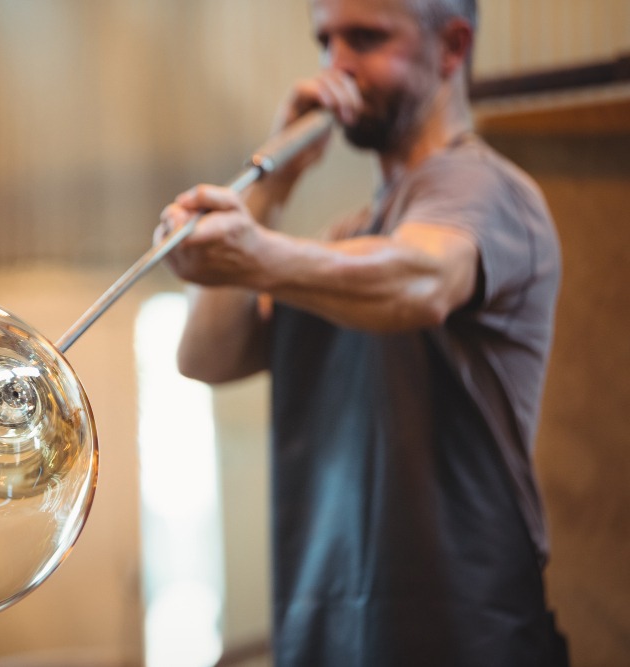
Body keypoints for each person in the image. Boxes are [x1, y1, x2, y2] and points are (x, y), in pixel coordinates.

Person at [156, 0, 568, 665]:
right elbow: (206, 352)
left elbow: (423, 277)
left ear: (452, 48)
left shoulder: (485, 190)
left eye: (366, 38)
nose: (334, 65)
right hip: (329, 635)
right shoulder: (348, 239)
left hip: (464, 641)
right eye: (325, 41)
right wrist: (272, 181)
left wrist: (256, 253)